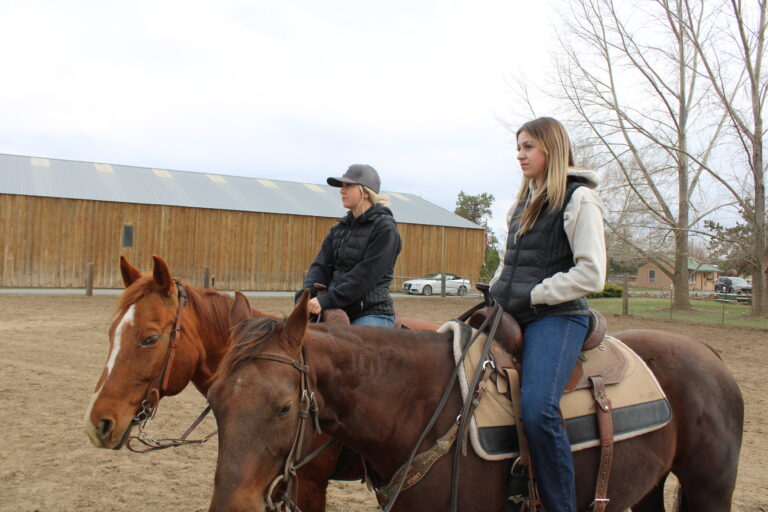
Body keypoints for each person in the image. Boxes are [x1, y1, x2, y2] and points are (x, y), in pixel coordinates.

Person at [489, 117, 606, 511]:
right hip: (512, 309)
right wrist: (494, 293)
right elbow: (508, 264)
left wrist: (536, 294)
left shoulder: (578, 199)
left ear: (551, 150)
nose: (519, 155)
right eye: (518, 147)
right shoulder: (521, 203)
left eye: (528, 147)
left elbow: (592, 273)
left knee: (538, 409)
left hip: (556, 316)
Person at [296, 164, 402, 326]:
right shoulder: (338, 229)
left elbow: (365, 275)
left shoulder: (385, 229)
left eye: (348, 186)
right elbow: (320, 266)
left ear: (366, 192)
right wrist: (305, 297)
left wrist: (326, 300)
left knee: (358, 350)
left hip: (370, 311)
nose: (342, 190)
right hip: (335, 306)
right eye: (342, 186)